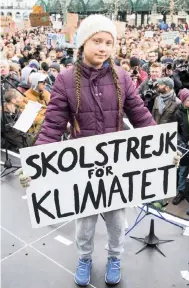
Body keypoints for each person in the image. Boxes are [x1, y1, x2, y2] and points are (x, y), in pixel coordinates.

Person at [18, 15, 157, 287]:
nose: (103, 48)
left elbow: (141, 115)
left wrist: (164, 146)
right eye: (97, 41)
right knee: (85, 220)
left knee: (117, 219)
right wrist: (33, 163)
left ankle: (114, 257)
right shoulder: (66, 79)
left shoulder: (121, 77)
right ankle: (85, 258)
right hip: (83, 166)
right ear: (83, 43)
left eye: (108, 42)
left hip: (116, 164)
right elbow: (53, 126)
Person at [173, 88, 189, 205]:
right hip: (184, 146)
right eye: (188, 100)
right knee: (182, 170)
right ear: (182, 101)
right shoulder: (178, 113)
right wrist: (181, 143)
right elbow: (176, 130)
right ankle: (181, 191)